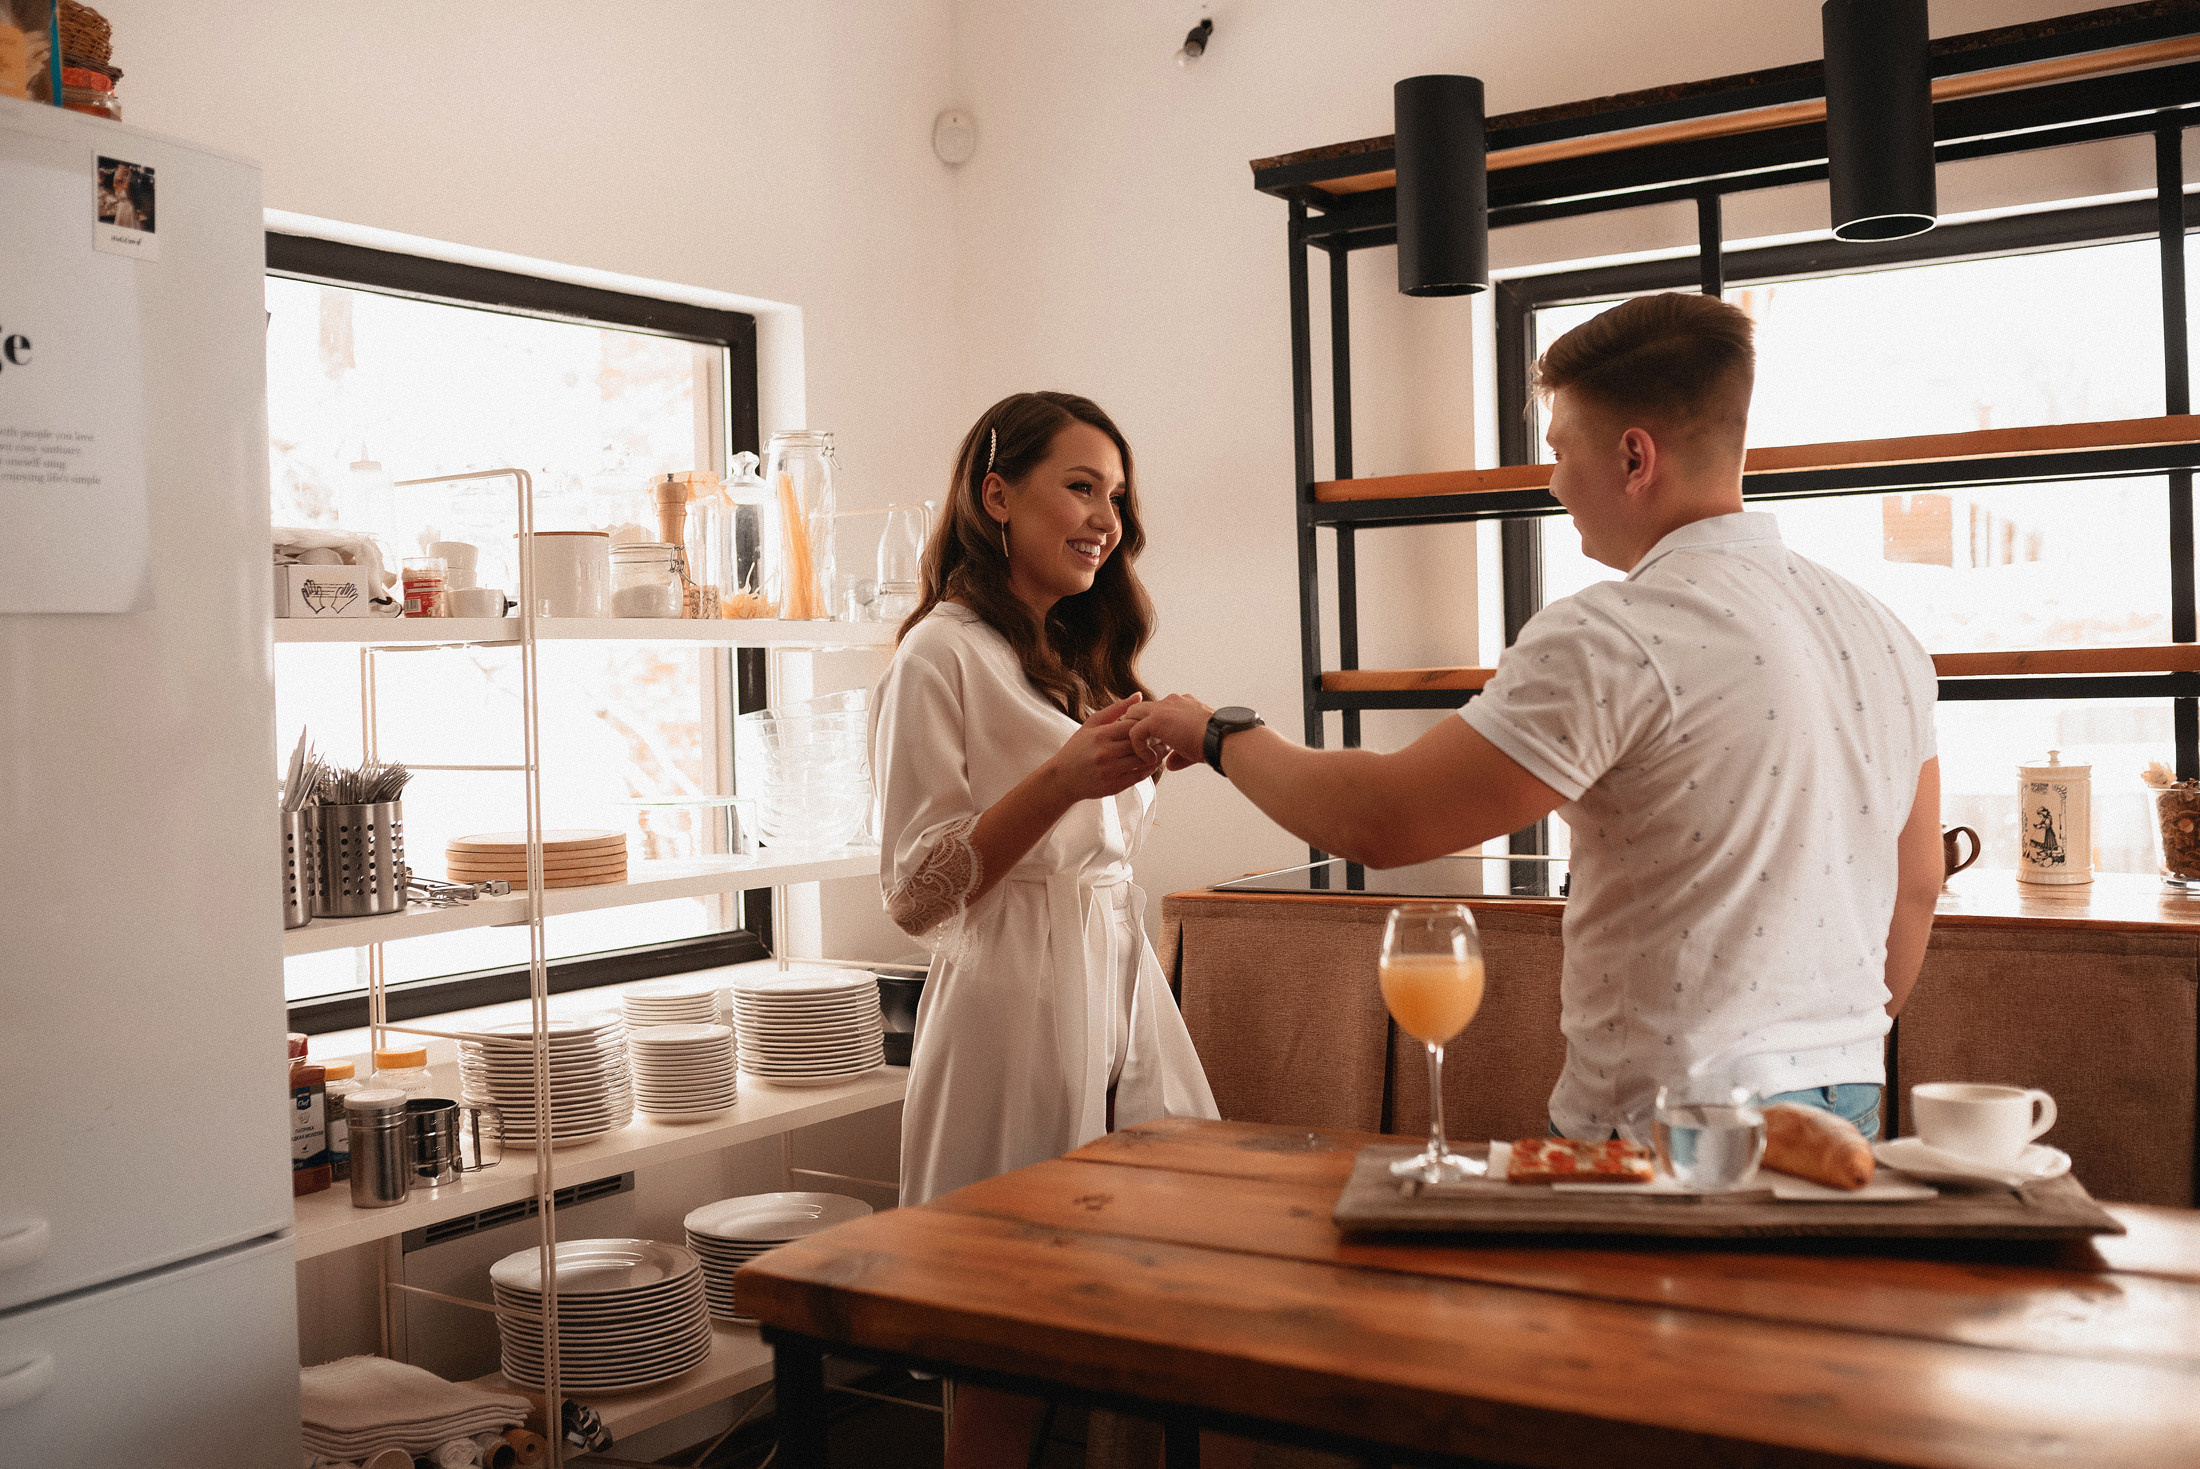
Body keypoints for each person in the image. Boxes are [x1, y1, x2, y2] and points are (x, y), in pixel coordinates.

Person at [1124, 292, 1942, 1144]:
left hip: (1673, 1128)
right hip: (1850, 1111)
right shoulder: (1884, 635)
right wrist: (1821, 1064)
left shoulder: (1616, 633)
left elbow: (1382, 818)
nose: (1552, 483)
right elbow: (1915, 884)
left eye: (1559, 450)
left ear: (1635, 457)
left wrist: (1217, 732)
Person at [870, 389, 1223, 1468]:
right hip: (1009, 1009)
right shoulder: (941, 654)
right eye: (1079, 485)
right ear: (995, 495)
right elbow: (915, 887)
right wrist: (1065, 777)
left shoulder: (1074, 653)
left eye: (1114, 493)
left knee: (1189, 1281)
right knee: (1000, 1341)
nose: (1105, 516)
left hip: (1122, 989)